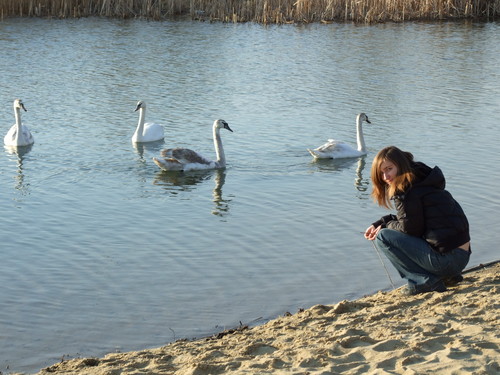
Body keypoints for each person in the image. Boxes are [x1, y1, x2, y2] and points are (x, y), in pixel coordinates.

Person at [364, 146, 471, 295]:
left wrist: (384, 227)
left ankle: (422, 282)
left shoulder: (405, 189)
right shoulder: (423, 181)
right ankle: (447, 277)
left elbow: (410, 229)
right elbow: (414, 221)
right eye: (381, 172)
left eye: (389, 169)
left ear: (400, 166)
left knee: (383, 237)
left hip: (447, 261)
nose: (385, 177)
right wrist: (382, 222)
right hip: (461, 257)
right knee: (388, 231)